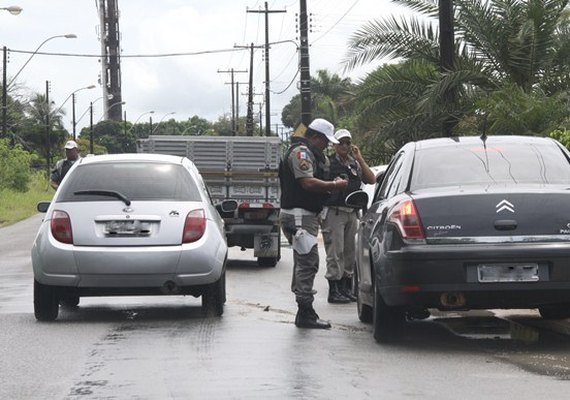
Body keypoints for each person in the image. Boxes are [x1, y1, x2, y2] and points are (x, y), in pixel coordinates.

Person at [279, 118, 348, 329]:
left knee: (304, 262)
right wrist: (335, 185)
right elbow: (307, 182)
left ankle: (305, 309)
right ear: (315, 137)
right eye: (325, 140)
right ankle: (305, 312)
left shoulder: (311, 154)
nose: (327, 145)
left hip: (304, 215)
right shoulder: (301, 153)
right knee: (308, 262)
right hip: (299, 215)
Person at [320, 129, 376, 304]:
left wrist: (359, 158)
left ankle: (346, 288)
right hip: (334, 211)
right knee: (335, 252)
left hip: (351, 212)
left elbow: (371, 179)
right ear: (335, 144)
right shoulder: (327, 162)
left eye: (348, 142)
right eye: (341, 142)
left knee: (349, 252)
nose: (345, 146)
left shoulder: (354, 163)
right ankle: (334, 290)